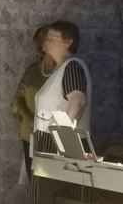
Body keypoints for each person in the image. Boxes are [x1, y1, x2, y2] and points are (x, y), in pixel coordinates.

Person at [33, 20, 91, 155]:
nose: (46, 42)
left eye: (52, 39)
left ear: (68, 42)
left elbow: (78, 101)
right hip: (48, 147)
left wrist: (63, 140)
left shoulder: (72, 67)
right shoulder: (60, 69)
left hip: (61, 150)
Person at [9, 26, 55, 180]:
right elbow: (15, 102)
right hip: (31, 138)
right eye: (41, 47)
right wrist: (28, 117)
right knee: (36, 184)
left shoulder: (65, 72)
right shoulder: (32, 71)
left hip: (56, 140)